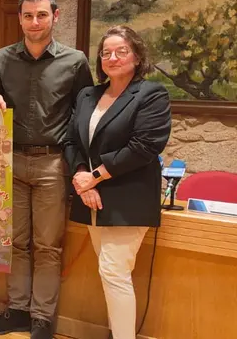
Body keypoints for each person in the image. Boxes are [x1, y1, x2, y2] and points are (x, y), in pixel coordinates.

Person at [0, 0, 94, 339]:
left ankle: (42, 318)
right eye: (28, 16)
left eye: (41, 15)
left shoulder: (75, 61)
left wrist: (79, 165)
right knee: (14, 242)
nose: (34, 22)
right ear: (20, 19)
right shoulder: (2, 58)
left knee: (47, 246)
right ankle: (16, 310)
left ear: (55, 17)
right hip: (10, 161)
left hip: (51, 165)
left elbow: (84, 114)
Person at [62, 25, 171, 339]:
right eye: (106, 52)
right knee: (109, 273)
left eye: (121, 51)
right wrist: (83, 177)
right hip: (92, 198)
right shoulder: (88, 95)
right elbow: (71, 142)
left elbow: (144, 146)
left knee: (113, 272)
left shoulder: (151, 93)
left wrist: (93, 178)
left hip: (129, 199)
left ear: (136, 56)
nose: (112, 57)